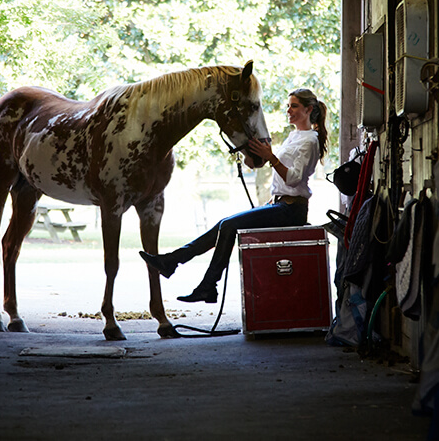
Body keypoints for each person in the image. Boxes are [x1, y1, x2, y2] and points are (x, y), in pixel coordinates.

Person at [140, 88, 328, 303]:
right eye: (288, 105)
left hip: (292, 210)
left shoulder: (310, 141)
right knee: (224, 225)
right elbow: (284, 177)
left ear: (309, 109)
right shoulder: (294, 136)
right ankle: (176, 264)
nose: (288, 110)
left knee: (228, 225)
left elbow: (294, 179)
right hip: (281, 205)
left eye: (294, 106)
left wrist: (270, 156)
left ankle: (202, 281)